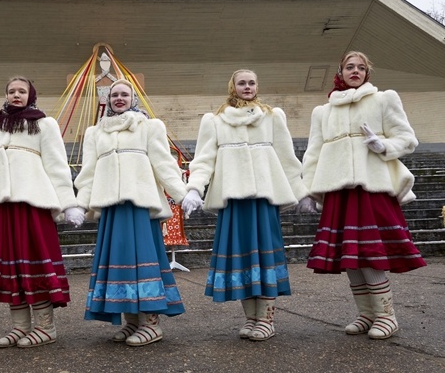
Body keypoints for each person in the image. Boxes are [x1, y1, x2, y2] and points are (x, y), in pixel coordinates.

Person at [302, 51, 426, 340]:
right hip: (338, 190)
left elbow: (407, 138)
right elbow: (313, 153)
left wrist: (382, 145)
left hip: (371, 188)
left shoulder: (383, 99)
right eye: (349, 67)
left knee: (370, 253)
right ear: (340, 72)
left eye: (360, 68)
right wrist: (307, 190)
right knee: (350, 255)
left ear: (367, 73)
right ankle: (367, 313)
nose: (355, 71)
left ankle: (387, 316)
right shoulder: (323, 111)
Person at [182, 69, 310, 341]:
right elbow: (204, 159)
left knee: (264, 255)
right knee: (242, 258)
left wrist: (302, 191)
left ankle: (266, 319)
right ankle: (251, 318)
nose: (247, 87)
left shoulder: (273, 116)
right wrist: (195, 188)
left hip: (264, 197)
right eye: (242, 83)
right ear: (233, 87)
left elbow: (287, 157)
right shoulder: (215, 120)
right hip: (233, 200)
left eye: (252, 82)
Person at [0, 77, 84, 349]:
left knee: (34, 261)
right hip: (4, 207)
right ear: (5, 95)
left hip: (33, 205)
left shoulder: (44, 124)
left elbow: (57, 165)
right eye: (11, 91)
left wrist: (68, 203)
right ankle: (20, 327)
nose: (16, 95)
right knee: (12, 264)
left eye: (22, 91)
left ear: (31, 95)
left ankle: (45, 327)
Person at [74, 79, 187, 347]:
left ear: (133, 99)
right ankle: (131, 321)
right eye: (115, 95)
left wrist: (183, 194)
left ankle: (151, 323)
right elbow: (88, 172)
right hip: (111, 209)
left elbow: (163, 163)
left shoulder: (149, 127)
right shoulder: (95, 133)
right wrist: (80, 203)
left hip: (139, 207)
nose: (119, 98)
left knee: (142, 259)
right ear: (108, 100)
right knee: (120, 262)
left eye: (125, 94)